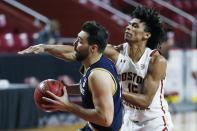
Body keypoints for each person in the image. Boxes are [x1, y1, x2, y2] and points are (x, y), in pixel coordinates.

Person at [19, 6, 173, 131]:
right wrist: (46, 47)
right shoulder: (116, 51)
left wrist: (113, 91)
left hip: (155, 123)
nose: (128, 27)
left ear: (146, 35)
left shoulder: (156, 60)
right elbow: (76, 52)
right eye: (128, 24)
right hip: (128, 122)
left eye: (134, 26)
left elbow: (145, 101)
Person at [18, 21, 123, 131]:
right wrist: (64, 90)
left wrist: (67, 106)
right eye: (77, 39)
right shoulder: (97, 59)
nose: (74, 43)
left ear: (93, 48)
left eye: (80, 41)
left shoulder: (98, 76)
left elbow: (105, 119)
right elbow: (70, 54)